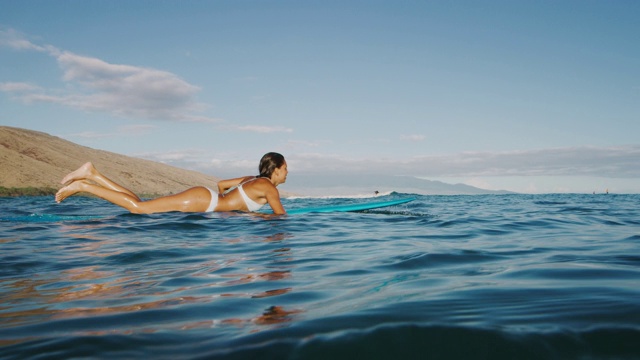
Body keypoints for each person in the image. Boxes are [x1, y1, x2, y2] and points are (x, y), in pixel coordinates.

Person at [55, 152, 288, 215]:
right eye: (285, 169)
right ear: (276, 170)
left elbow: (221, 184)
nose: (287, 173)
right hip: (204, 202)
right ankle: (83, 186)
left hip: (206, 198)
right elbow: (280, 218)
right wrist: (254, 214)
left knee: (140, 203)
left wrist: (228, 205)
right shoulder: (269, 188)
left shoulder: (252, 179)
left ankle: (93, 174)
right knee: (138, 208)